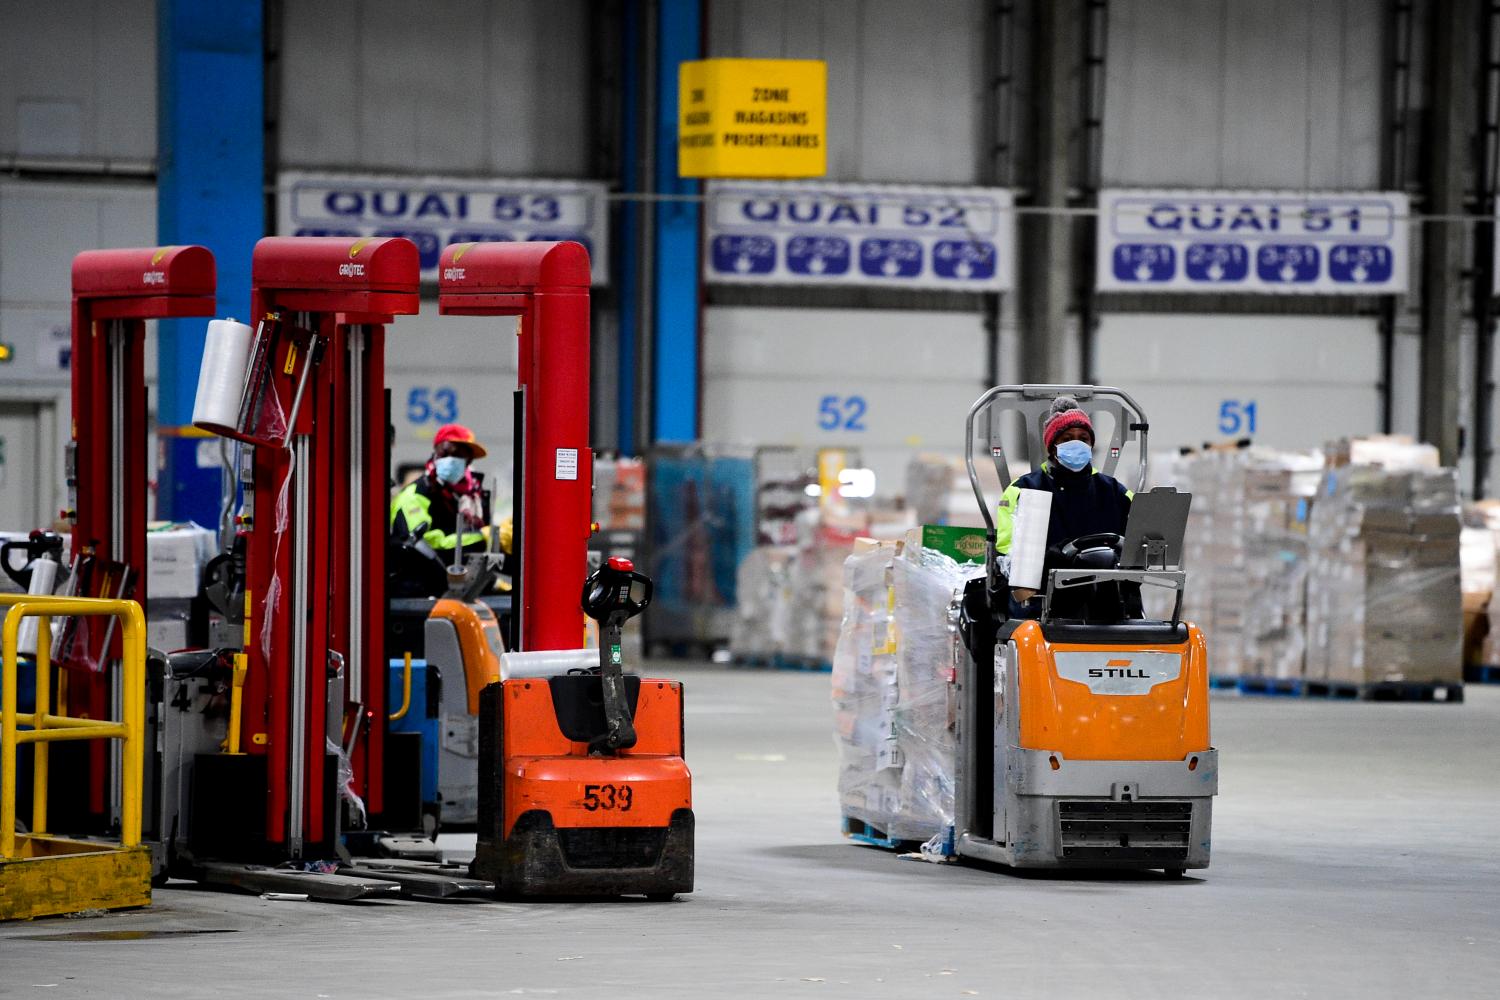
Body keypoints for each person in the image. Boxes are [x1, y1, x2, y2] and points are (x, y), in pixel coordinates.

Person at [994, 396, 1135, 619]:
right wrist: (1049, 559)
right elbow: (1008, 555)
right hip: (1042, 604)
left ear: (1091, 444)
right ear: (1052, 447)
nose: (1076, 444)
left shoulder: (1115, 492)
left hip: (1106, 602)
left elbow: (1138, 546)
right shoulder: (1025, 490)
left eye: (1083, 438)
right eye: (1067, 439)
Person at [389, 423, 493, 598]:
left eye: (462, 455)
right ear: (436, 452)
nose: (453, 459)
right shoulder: (415, 495)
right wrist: (482, 536)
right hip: (416, 592)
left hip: (456, 588)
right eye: (447, 452)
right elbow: (425, 542)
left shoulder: (470, 497)